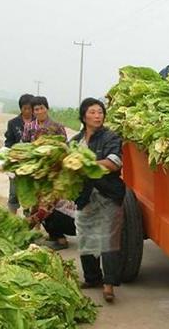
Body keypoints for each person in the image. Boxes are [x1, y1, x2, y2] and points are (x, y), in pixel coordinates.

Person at [71, 97, 125, 303]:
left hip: (108, 194)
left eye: (100, 112)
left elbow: (114, 163)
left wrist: (85, 163)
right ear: (84, 116)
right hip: (85, 196)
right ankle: (92, 278)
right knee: (85, 235)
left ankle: (109, 284)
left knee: (108, 239)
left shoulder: (111, 137)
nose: (97, 115)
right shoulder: (75, 141)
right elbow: (68, 168)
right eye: (93, 112)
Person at [4, 93, 34, 214]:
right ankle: (12, 218)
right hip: (16, 163)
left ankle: (29, 220)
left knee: (30, 193)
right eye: (25, 108)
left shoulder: (38, 123)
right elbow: (9, 141)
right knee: (14, 192)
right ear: (20, 108)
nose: (27, 111)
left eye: (30, 108)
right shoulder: (13, 123)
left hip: (32, 164)